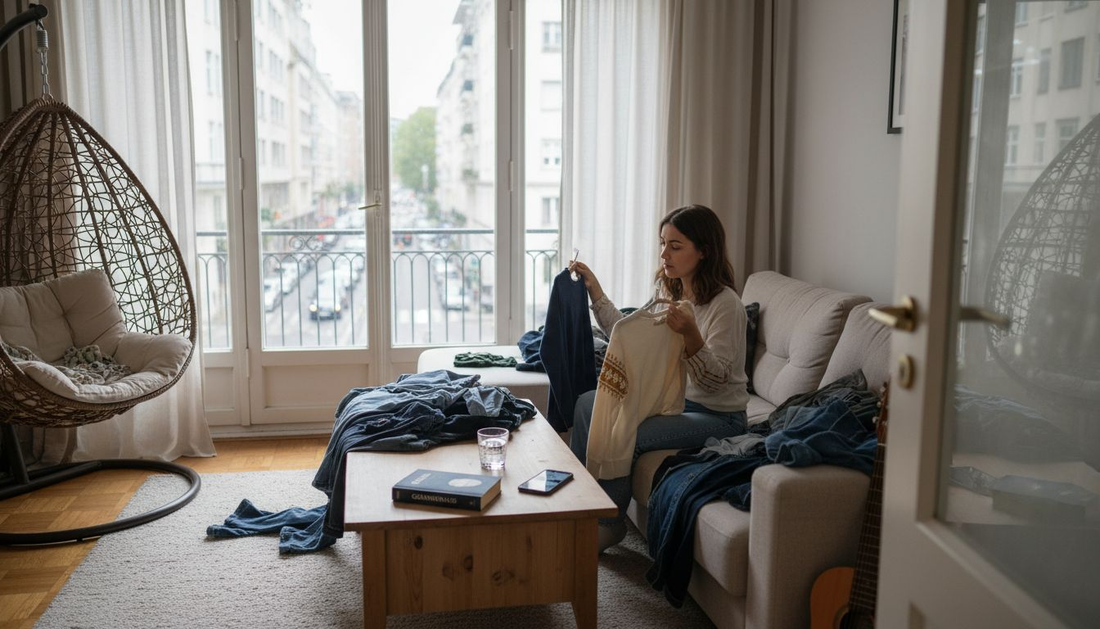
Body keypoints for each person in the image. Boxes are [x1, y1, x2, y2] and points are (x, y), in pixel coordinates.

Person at [568, 204, 749, 552]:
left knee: (625, 429)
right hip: (675, 401)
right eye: (662, 243)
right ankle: (581, 508)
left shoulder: (727, 305)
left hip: (718, 416)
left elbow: (717, 381)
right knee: (587, 404)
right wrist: (596, 293)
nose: (664, 253)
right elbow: (628, 333)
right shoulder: (672, 292)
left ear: (704, 251)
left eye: (675, 246)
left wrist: (692, 336)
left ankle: (609, 522)